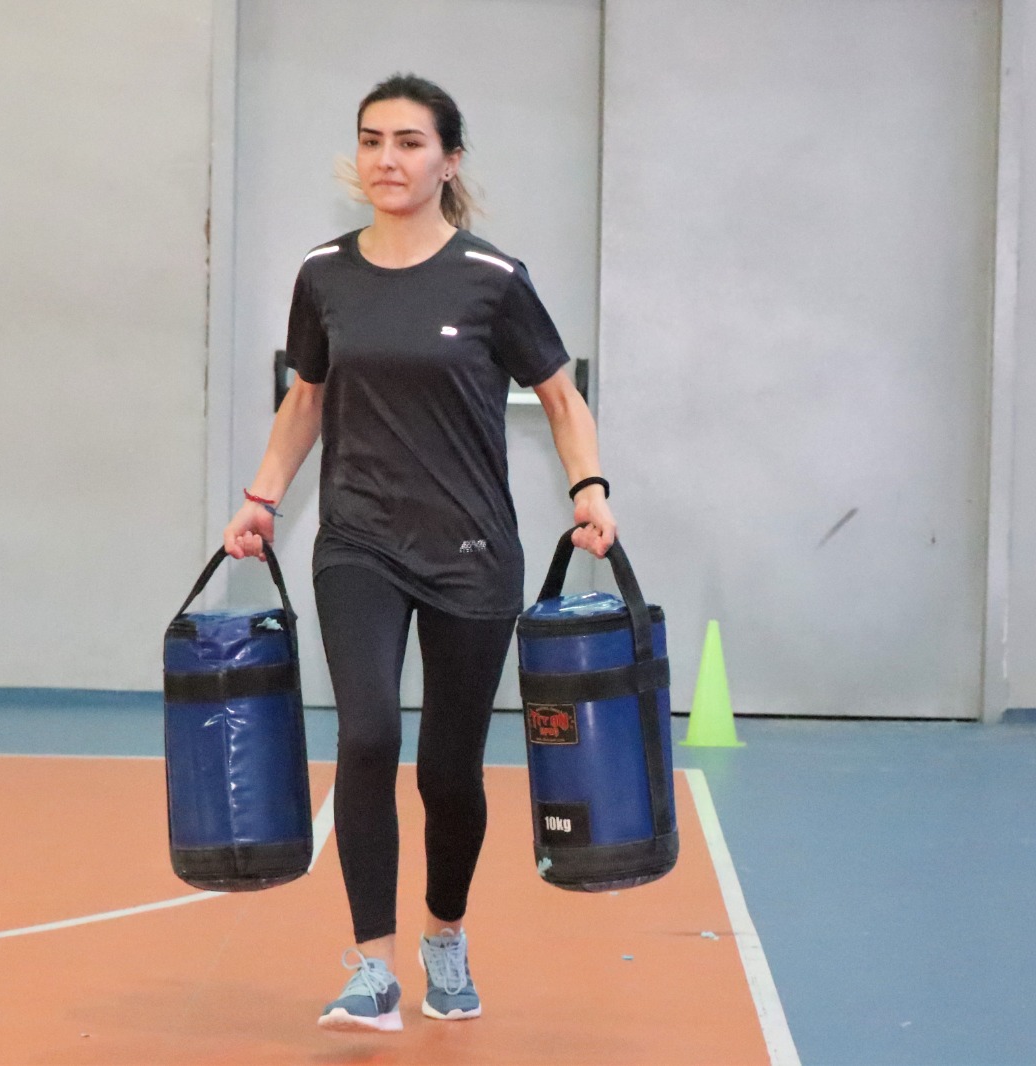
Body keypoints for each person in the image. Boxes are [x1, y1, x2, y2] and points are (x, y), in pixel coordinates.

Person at [223, 72, 616, 1033]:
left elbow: (561, 397)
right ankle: (372, 968)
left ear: (449, 160)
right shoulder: (324, 275)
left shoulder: (494, 279)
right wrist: (262, 499)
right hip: (357, 541)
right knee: (367, 736)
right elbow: (306, 398)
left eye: (407, 142)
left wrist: (590, 489)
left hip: (472, 551)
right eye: (371, 141)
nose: (386, 160)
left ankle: (445, 933)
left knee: (448, 768)